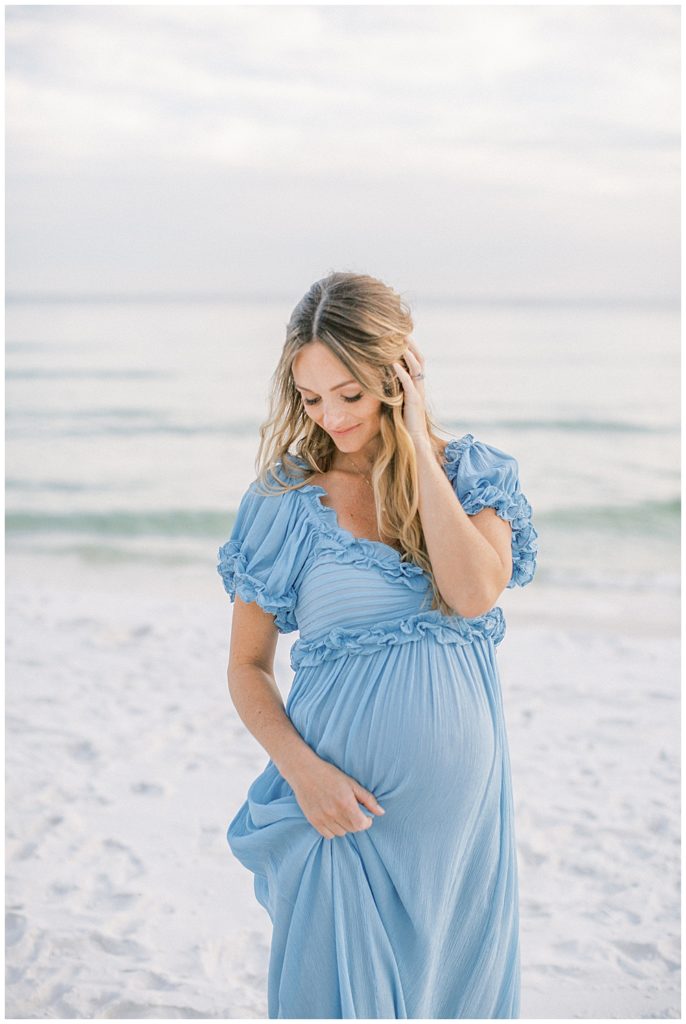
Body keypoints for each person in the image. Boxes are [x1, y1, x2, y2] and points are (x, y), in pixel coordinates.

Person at [216, 271, 539, 1019]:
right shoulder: (285, 501)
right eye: (311, 397)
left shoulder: (473, 477)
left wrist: (421, 445)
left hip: (461, 836)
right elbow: (245, 666)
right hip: (342, 816)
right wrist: (303, 774)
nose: (330, 415)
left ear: (396, 376)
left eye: (350, 394)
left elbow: (471, 592)